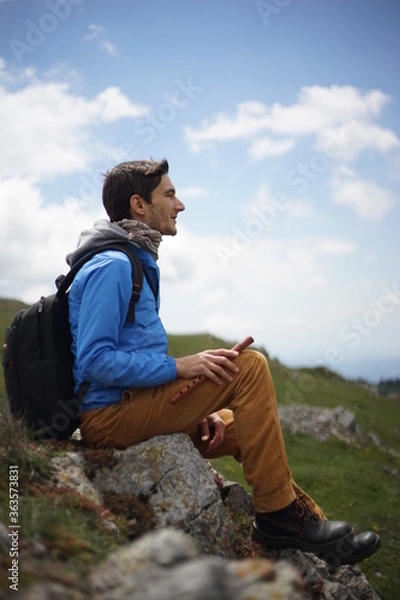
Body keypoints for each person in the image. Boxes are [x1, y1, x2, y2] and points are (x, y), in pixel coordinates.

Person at [67, 159, 380, 571]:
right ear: (139, 205)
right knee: (249, 367)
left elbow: (130, 353)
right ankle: (278, 519)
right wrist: (180, 368)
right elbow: (95, 362)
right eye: (170, 195)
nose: (180, 205)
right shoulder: (114, 266)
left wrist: (199, 408)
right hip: (109, 418)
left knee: (236, 424)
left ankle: (312, 527)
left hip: (133, 406)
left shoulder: (135, 258)